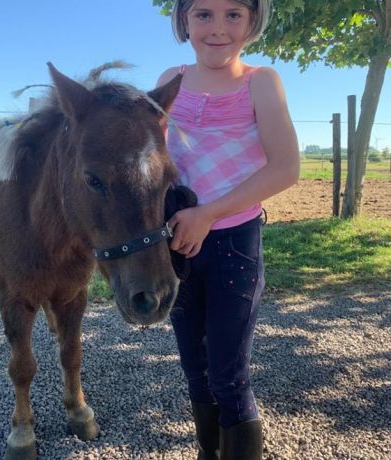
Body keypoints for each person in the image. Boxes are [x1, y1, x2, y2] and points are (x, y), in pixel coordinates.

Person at [156, 1, 300, 459]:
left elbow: (286, 168)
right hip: (178, 243)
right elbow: (151, 161)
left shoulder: (261, 82)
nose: (218, 28)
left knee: (228, 375)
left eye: (233, 14)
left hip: (234, 244)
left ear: (253, 21)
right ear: (184, 20)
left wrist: (208, 213)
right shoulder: (168, 82)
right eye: (203, 14)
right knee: (195, 371)